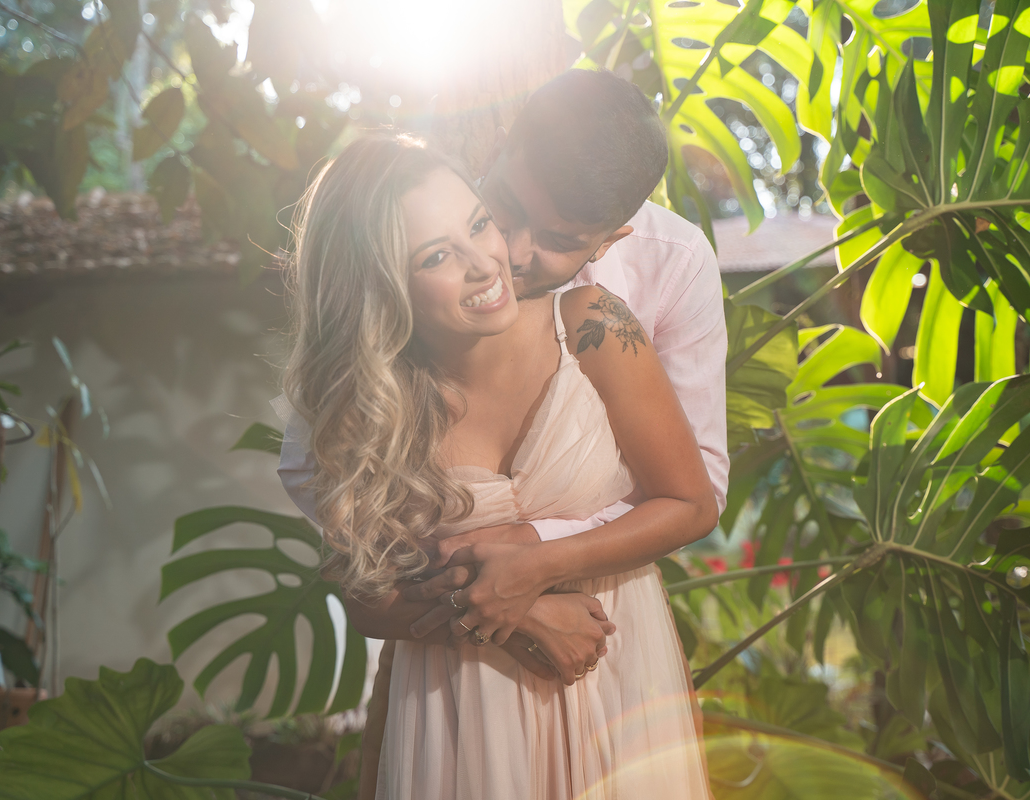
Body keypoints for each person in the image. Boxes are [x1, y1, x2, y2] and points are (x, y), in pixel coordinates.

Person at [274, 69, 728, 796]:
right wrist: (515, 612)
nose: (505, 256)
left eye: (554, 240)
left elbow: (695, 491)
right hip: (457, 693)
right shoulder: (383, 370)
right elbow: (357, 571)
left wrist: (536, 557)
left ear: (614, 237)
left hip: (608, 655)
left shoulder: (609, 312)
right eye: (500, 211)